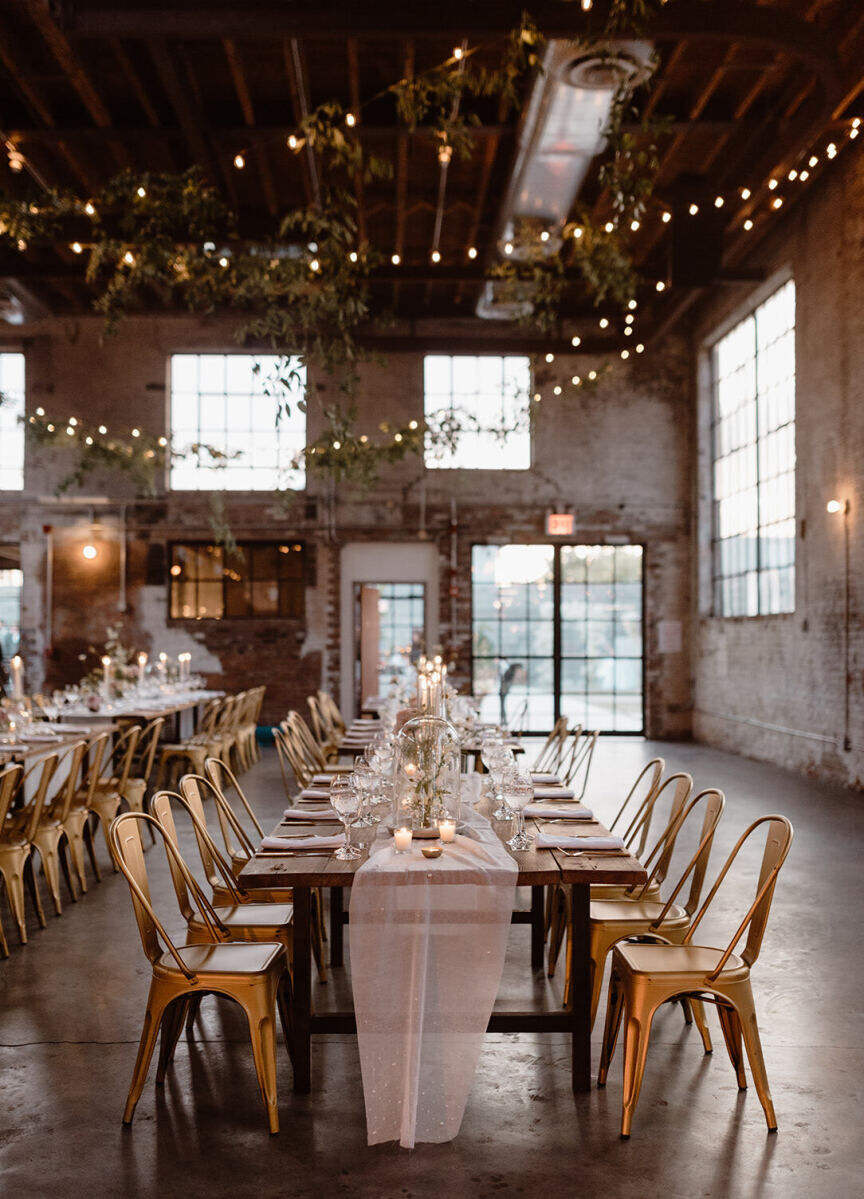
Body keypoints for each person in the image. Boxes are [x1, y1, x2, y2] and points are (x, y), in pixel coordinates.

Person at [498, 660, 524, 726]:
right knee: (502, 707)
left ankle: (503, 720)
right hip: (503, 691)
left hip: (504, 690)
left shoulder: (510, 671)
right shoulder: (510, 671)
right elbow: (505, 681)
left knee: (503, 706)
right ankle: (503, 720)